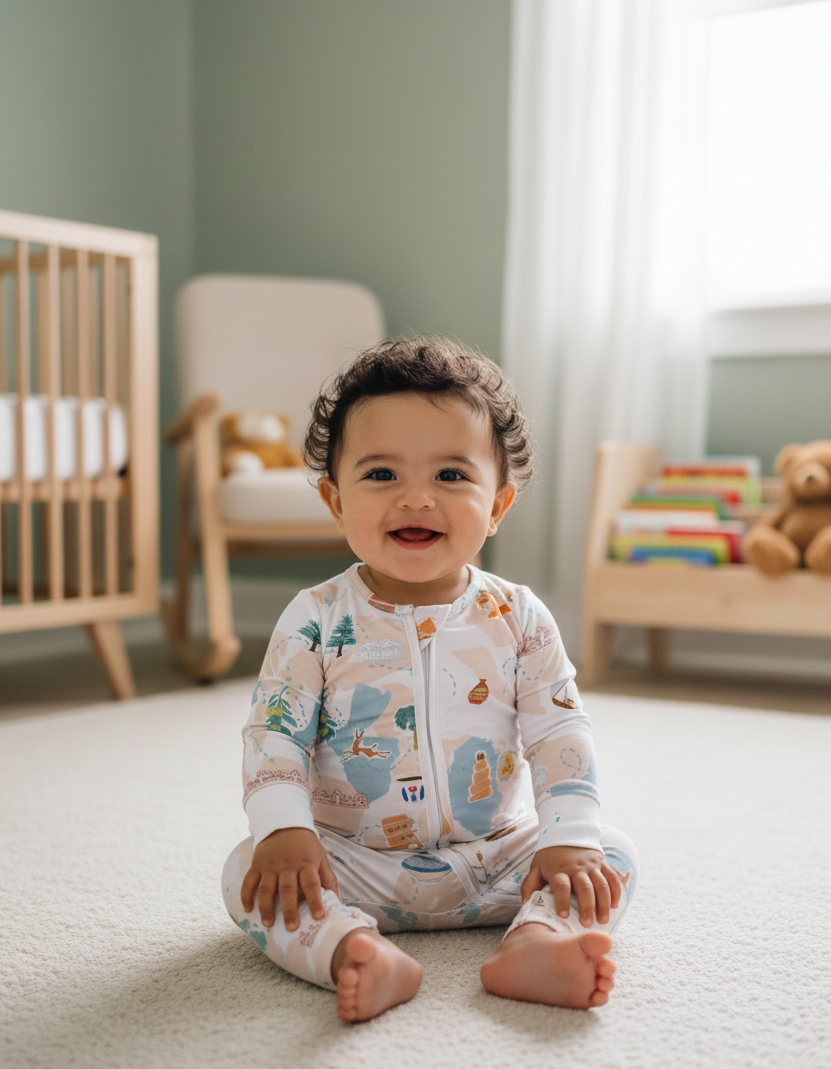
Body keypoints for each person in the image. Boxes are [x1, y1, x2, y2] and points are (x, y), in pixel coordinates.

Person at [222, 336, 637, 1022]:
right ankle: (352, 948)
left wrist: (567, 834)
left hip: (495, 862)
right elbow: (276, 731)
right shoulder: (317, 617)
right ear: (334, 499)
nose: (416, 497)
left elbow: (558, 728)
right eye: (381, 474)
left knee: (607, 851)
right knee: (247, 872)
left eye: (450, 476)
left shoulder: (518, 614)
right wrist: (283, 830)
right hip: (354, 864)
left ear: (497, 504)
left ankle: (534, 943)